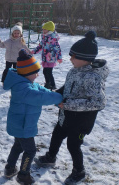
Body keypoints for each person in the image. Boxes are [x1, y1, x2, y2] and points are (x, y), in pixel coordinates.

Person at [34, 31, 109, 184]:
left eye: (74, 56)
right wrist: (53, 94)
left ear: (85, 59)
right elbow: (67, 88)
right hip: (66, 116)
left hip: (81, 122)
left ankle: (79, 171)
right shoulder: (74, 71)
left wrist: (68, 105)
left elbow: (98, 102)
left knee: (73, 145)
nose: (70, 59)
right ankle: (50, 157)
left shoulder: (93, 77)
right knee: (56, 135)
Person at [3, 49, 63, 184]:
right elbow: (40, 97)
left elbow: (42, 90)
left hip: (19, 124)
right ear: (26, 73)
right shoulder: (24, 89)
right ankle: (23, 174)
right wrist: (59, 98)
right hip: (23, 126)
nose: (37, 75)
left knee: (18, 146)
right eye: (35, 72)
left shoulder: (24, 83)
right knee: (30, 151)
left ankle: (10, 168)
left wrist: (56, 97)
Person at [31, 21, 62, 90]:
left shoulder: (53, 39)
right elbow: (40, 45)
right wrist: (34, 51)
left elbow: (58, 49)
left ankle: (53, 85)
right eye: (43, 29)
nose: (43, 30)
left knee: (49, 72)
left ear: (49, 30)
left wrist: (59, 57)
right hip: (45, 58)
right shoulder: (45, 37)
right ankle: (47, 83)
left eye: (44, 29)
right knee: (45, 71)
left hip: (51, 58)